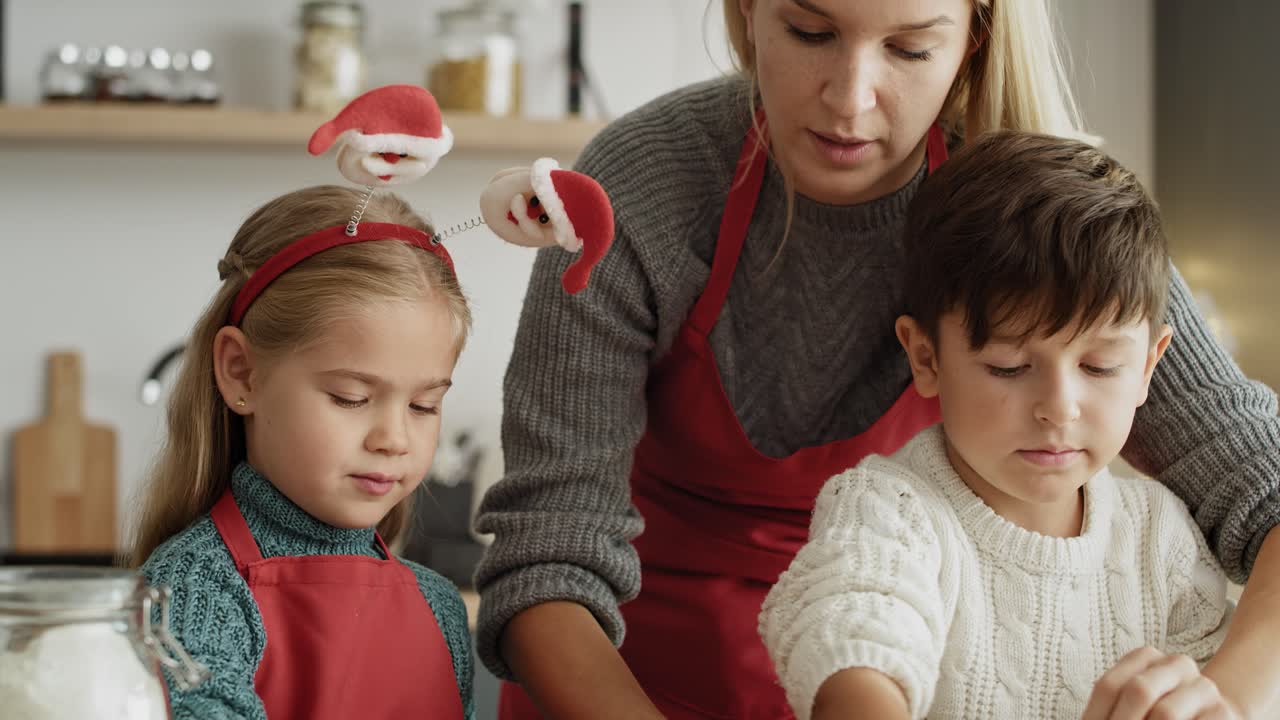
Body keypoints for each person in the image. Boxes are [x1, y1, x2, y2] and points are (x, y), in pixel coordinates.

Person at [474, 0, 1280, 717]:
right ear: (747, 9)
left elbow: (1263, 482)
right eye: (811, 31)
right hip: (621, 684)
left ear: (974, 37)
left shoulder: (1027, 214)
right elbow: (548, 555)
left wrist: (1228, 700)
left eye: (910, 47)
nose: (850, 99)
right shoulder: (642, 183)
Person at [760, 130, 1235, 720]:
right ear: (926, 358)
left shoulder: (1160, 537)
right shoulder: (886, 511)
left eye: (1099, 366)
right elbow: (851, 628)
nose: (1059, 408)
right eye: (1009, 367)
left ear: (1147, 367)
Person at [130, 186, 475, 720]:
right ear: (242, 373)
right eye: (350, 398)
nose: (394, 439)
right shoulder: (191, 590)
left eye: (423, 405)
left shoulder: (440, 605)